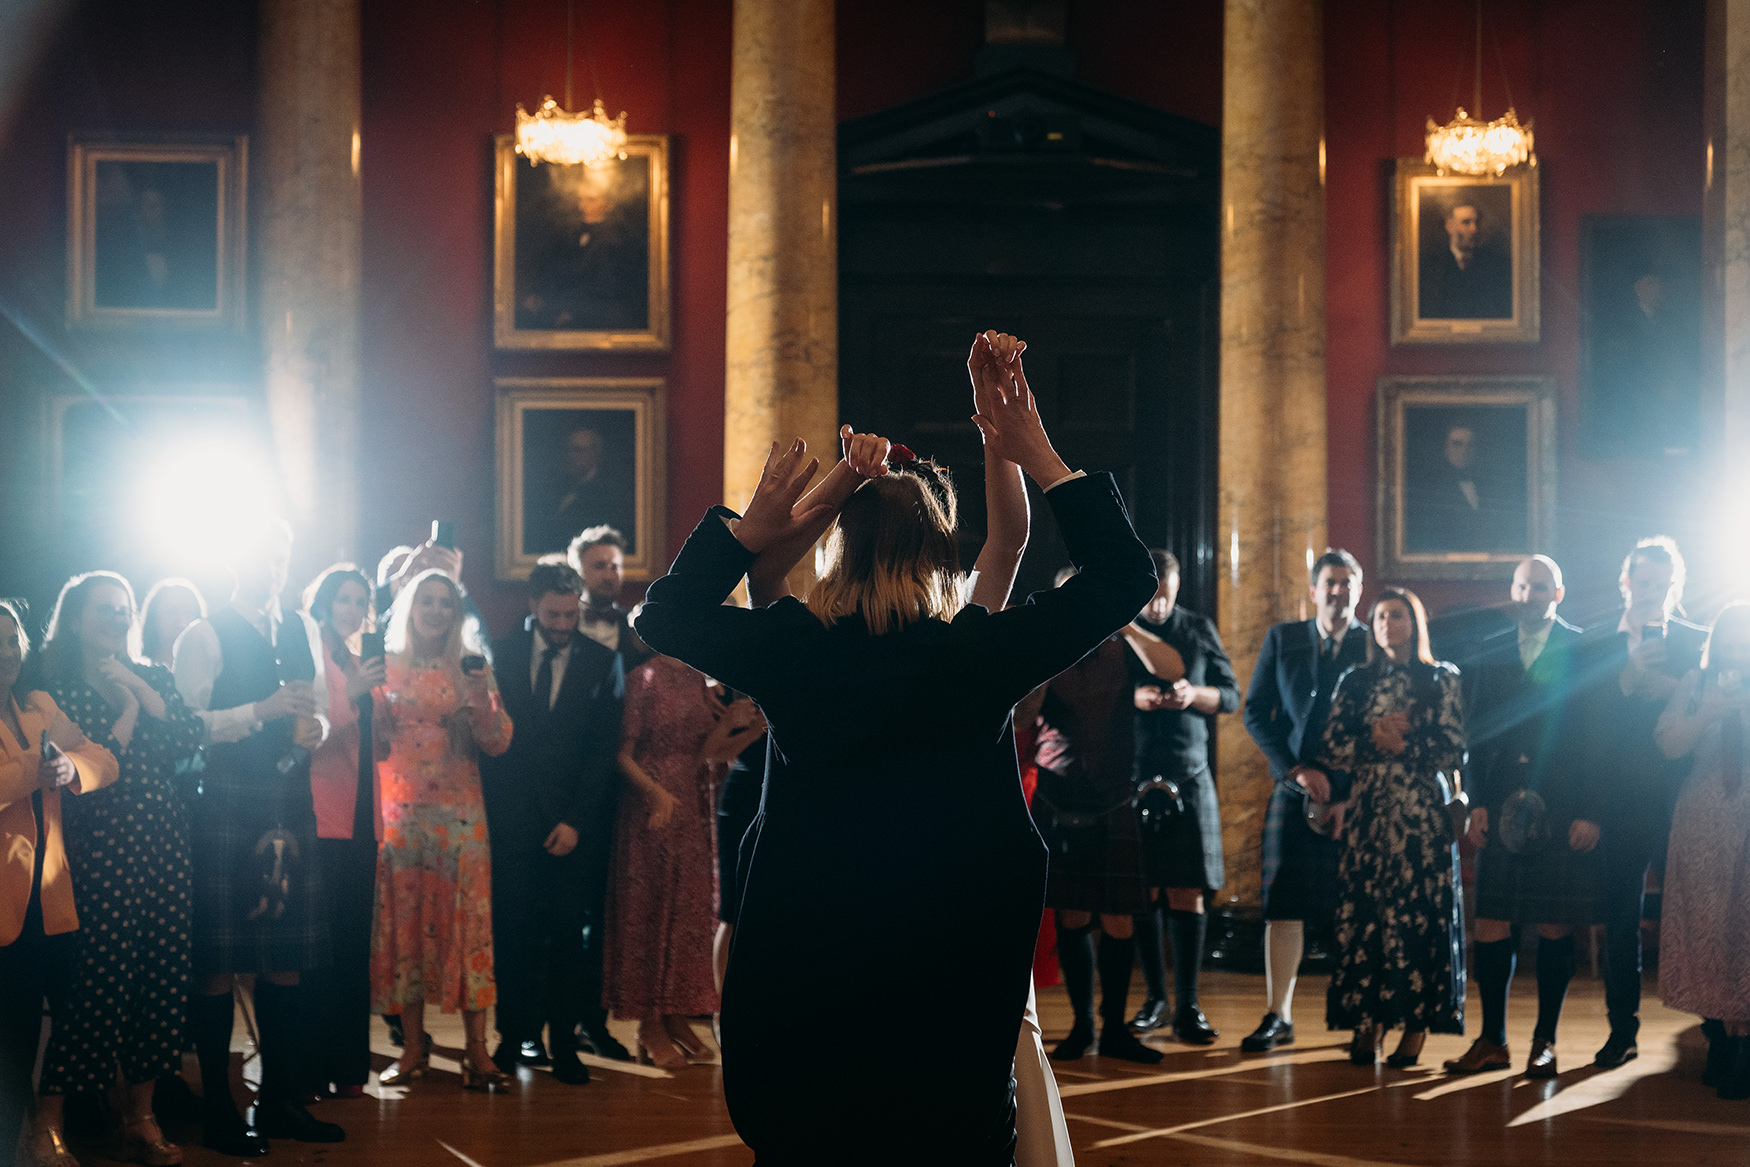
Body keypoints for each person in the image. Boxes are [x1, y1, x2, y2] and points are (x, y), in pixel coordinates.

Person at [633, 330, 1156, 1165]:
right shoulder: (976, 651)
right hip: (945, 971)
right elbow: (1123, 576)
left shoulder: (794, 645)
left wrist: (758, 524)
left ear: (840, 542)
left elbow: (661, 616)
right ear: (941, 552)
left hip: (808, 968)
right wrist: (1030, 447)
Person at [172, 518, 343, 1153]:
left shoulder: (301, 627)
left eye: (281, 555)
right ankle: (220, 1112)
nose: (273, 565)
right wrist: (260, 713)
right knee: (217, 961)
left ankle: (277, 1106)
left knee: (287, 961)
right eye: (261, 555)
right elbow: (185, 727)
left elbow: (321, 707)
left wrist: (317, 727)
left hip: (288, 799)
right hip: (223, 802)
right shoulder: (204, 631)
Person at [29, 574, 204, 1166]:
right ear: (74, 621)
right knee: (95, 987)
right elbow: (95, 763)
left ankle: (141, 1117)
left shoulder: (151, 675)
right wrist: (128, 710)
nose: (119, 619)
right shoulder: (53, 693)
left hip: (165, 850)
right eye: (105, 610)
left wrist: (137, 689)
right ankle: (47, 1124)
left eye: (126, 611)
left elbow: (186, 736)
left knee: (161, 983)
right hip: (99, 852)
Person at [1445, 555, 1605, 1078]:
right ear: (1512, 593)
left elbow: (1597, 739)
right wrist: (1476, 801)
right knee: (1491, 923)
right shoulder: (1488, 651)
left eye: (1540, 586)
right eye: (1521, 586)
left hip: (1561, 806)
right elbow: (1477, 735)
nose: (1530, 594)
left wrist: (1589, 811)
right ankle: (1492, 1040)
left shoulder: (1584, 648)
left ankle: (1545, 1042)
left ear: (1558, 594)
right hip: (1500, 804)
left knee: (1554, 924)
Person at [480, 561, 627, 1083]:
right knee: (513, 935)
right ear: (533, 605)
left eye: (572, 614)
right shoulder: (501, 653)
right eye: (554, 614)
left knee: (569, 939)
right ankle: (511, 1039)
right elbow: (494, 749)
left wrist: (576, 822)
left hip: (572, 827)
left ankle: (564, 1046)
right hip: (513, 823)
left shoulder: (603, 661)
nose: (564, 624)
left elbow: (601, 752)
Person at [371, 570, 514, 1092]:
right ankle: (412, 1049)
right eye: (426, 602)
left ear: (457, 615)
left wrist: (480, 699)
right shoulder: (385, 668)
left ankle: (477, 1051)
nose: (436, 611)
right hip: (401, 815)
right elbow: (372, 740)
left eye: (446, 604)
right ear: (409, 607)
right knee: (405, 927)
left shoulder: (471, 667)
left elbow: (499, 741)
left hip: (461, 817)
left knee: (467, 927)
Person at [1319, 588, 1467, 1067]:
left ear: (1414, 621)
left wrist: (1403, 742)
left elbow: (1454, 749)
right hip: (1367, 819)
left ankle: (1417, 1025)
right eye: (1380, 616)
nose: (1387, 623)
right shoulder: (1355, 680)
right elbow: (1332, 746)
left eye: (1397, 615)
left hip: (1420, 818)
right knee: (1366, 919)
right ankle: (1368, 1023)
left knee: (1416, 917)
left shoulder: (1440, 679)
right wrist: (1372, 735)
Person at [0, 600, 119, 1167]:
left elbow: (103, 759)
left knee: (62, 1021)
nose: (3, 652)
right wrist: (34, 768)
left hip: (50, 900)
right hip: (2, 904)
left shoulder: (40, 706)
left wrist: (73, 769)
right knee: (12, 1036)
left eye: (10, 641)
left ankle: (35, 1131)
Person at [1240, 549, 1370, 1052]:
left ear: (1358, 590)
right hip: (1293, 789)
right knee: (1282, 905)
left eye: (1347, 583)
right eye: (1329, 583)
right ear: (1314, 591)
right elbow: (1255, 712)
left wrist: (1348, 792)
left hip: (1356, 795)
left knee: (1356, 906)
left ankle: (1362, 1016)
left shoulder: (1372, 641)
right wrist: (1295, 770)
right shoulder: (1284, 637)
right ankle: (1279, 1014)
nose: (1338, 591)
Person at [1031, 568, 1161, 1065]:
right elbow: (1021, 717)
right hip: (1061, 795)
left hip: (1112, 795)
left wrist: (1125, 623)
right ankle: (1082, 1026)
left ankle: (1114, 1029)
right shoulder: (1045, 643)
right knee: (1072, 915)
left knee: (1119, 918)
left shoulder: (1123, 643)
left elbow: (1172, 669)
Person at [1588, 537, 1707, 1069]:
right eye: (1643, 581)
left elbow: (1723, 718)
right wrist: (1624, 683)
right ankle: (1622, 1031)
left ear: (1674, 587)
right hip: (1617, 801)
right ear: (1625, 582)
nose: (1651, 591)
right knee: (1620, 919)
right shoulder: (1594, 645)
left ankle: (1718, 1031)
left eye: (1662, 583)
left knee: (1696, 913)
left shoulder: (1701, 643)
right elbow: (1579, 728)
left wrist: (1675, 689)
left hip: (1682, 796)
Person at [605, 655, 752, 1068]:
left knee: (685, 914)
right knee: (650, 912)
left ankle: (674, 1017)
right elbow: (622, 755)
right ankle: (648, 1025)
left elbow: (705, 752)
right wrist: (655, 793)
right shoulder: (642, 678)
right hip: (650, 806)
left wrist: (740, 725)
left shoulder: (694, 678)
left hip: (690, 804)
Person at [1124, 549, 1239, 1046]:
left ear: (1176, 587)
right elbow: (1098, 692)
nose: (1156, 606)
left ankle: (1188, 1005)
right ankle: (1155, 1001)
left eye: (1164, 597)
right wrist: (1137, 698)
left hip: (1190, 775)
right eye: (1149, 596)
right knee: (1145, 892)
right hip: (1134, 773)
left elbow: (1230, 695)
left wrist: (1195, 695)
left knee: (1187, 890)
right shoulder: (1120, 628)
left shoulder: (1197, 628)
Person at [1653, 603, 1750, 1099]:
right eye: (1729, 639)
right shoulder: (1696, 682)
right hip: (1703, 822)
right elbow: (1669, 745)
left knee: (1745, 930)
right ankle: (1718, 1035)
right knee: (1708, 927)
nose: (1736, 648)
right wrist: (1710, 710)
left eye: (1744, 639)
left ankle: (1745, 1045)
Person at [300, 565, 386, 1100]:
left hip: (364, 817)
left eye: (360, 601)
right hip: (320, 814)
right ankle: (309, 1067)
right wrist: (352, 692)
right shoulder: (315, 660)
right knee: (317, 948)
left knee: (355, 946)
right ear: (323, 603)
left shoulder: (360, 662)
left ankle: (351, 1067)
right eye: (343, 599)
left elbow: (372, 740)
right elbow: (313, 730)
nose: (352, 609)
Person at [568, 525, 652, 671]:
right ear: (578, 570)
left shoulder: (635, 627)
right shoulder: (560, 621)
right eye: (599, 566)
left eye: (615, 567)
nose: (608, 576)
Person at [1420, 200, 1512, 319]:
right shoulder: (1430, 267)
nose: (1474, 229)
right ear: (1449, 226)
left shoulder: (1497, 265)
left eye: (1477, 222)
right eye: (1466, 222)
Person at [132, 578, 207, 669]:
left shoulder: (209, 670)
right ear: (154, 618)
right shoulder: (136, 671)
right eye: (170, 612)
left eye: (188, 612)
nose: (181, 621)